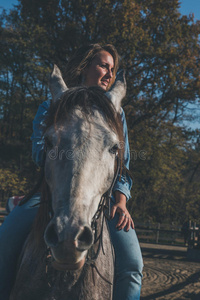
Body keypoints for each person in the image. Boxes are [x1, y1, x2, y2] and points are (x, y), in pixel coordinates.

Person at [0, 44, 143, 300]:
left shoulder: (116, 114)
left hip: (105, 198)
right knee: (5, 241)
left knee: (133, 266)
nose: (109, 73)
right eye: (102, 65)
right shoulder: (52, 105)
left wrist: (121, 201)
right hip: (51, 191)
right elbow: (38, 152)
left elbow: (123, 162)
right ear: (85, 67)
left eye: (112, 68)